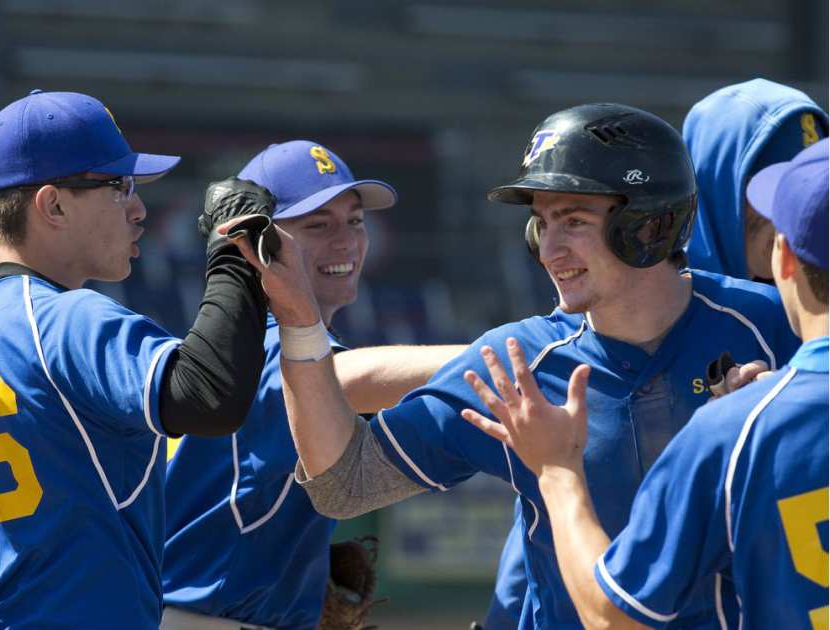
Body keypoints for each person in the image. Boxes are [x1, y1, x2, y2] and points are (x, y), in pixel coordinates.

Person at [227, 103, 801, 629]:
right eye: (541, 223)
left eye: (572, 220)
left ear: (649, 225)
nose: (549, 249)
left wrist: (787, 414)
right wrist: (300, 320)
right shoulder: (518, 364)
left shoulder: (772, 325)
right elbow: (343, 486)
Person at [487, 78, 829, 628]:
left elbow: (613, 615)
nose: (776, 234)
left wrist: (556, 470)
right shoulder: (589, 336)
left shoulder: (745, 411)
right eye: (763, 209)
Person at [0, 90, 272, 628]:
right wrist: (233, 254)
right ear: (53, 205)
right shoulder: (64, 318)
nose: (139, 208)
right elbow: (207, 396)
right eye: (120, 187)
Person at [162, 140, 464, 630]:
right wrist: (522, 351)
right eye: (317, 225)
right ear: (258, 242)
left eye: (355, 220)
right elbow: (347, 379)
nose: (345, 241)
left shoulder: (234, 346)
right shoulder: (261, 343)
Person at [684, 77, 827, 280]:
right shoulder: (650, 299)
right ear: (719, 186)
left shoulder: (812, 302)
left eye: (816, 192)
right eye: (775, 189)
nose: (799, 214)